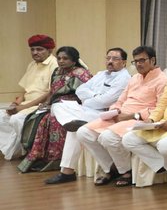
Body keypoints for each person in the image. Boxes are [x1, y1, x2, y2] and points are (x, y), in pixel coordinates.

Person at [77, 46, 167, 187]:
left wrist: (131, 115)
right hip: (120, 116)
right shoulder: (135, 78)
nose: (138, 64)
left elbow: (160, 108)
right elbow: (120, 100)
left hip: (138, 119)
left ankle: (126, 171)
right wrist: (115, 111)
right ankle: (110, 168)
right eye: (136, 61)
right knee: (83, 133)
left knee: (107, 137)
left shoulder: (162, 80)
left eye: (142, 60)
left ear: (153, 60)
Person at [44, 47, 130, 184]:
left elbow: (107, 100)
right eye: (108, 58)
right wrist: (95, 97)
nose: (110, 61)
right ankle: (72, 122)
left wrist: (90, 98)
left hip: (103, 114)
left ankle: (67, 172)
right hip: (87, 110)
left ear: (124, 62)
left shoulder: (124, 78)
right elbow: (80, 90)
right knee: (57, 105)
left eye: (115, 59)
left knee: (76, 130)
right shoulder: (102, 74)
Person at [120, 44, 167, 190]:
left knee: (165, 145)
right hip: (164, 123)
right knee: (129, 139)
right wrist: (151, 120)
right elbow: (161, 105)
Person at [19, 46, 92, 174]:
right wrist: (46, 103)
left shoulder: (81, 73)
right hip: (55, 104)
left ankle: (57, 160)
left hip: (73, 106)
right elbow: (52, 91)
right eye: (59, 58)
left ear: (74, 60)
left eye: (65, 58)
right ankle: (41, 158)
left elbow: (87, 95)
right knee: (35, 118)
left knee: (51, 121)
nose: (61, 61)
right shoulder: (57, 71)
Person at [0, 34, 57, 160]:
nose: (35, 52)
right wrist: (16, 103)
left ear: (49, 50)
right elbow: (25, 89)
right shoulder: (32, 64)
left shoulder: (55, 65)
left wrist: (22, 108)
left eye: (39, 49)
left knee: (17, 119)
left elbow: (49, 93)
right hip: (25, 104)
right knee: (0, 117)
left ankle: (29, 151)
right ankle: (15, 149)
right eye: (32, 49)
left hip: (40, 106)